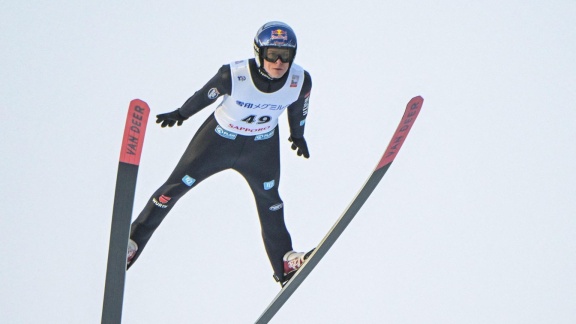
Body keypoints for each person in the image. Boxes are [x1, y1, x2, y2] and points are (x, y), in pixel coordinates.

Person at [126, 21, 313, 286]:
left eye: (286, 55)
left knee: (271, 201)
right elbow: (205, 95)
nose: (279, 62)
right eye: (273, 54)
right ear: (260, 53)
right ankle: (132, 243)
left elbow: (298, 108)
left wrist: (297, 135)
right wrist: (182, 113)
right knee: (173, 189)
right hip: (218, 141)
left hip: (261, 147)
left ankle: (284, 263)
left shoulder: (300, 80)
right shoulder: (234, 74)